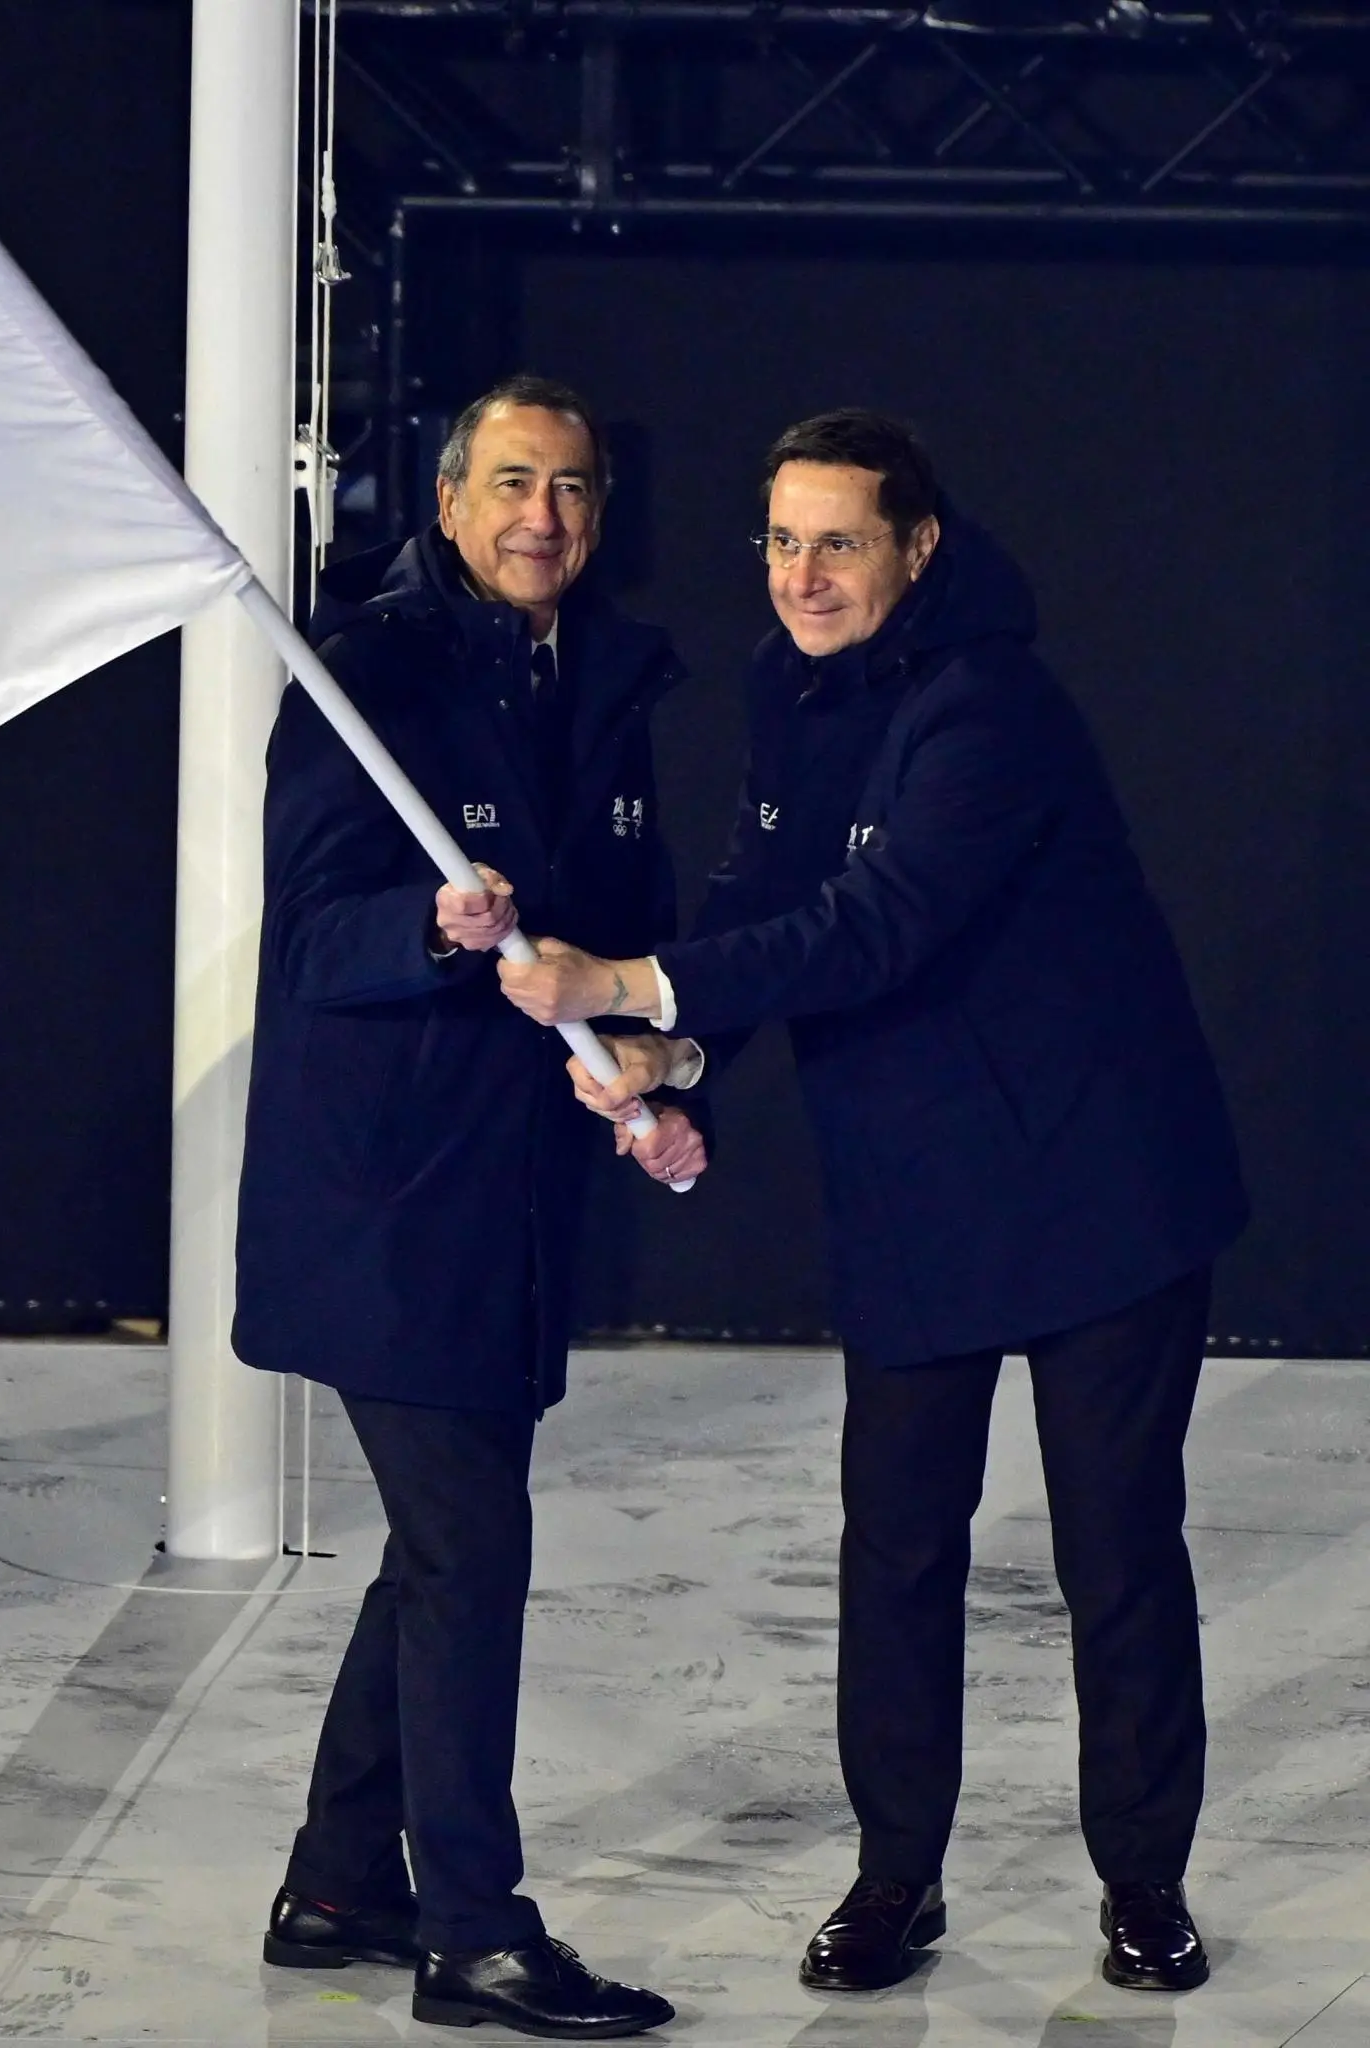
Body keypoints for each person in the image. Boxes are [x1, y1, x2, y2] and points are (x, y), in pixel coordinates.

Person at [499, 409, 1245, 1997]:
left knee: (1116, 1547)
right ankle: (897, 1877)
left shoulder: (994, 705)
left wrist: (621, 977)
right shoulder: (796, 690)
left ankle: (1145, 1883)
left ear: (918, 547)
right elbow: (768, 901)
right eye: (780, 539)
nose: (804, 573)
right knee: (897, 1545)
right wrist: (676, 1052)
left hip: (1100, 1184)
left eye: (839, 539)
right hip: (920, 1192)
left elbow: (879, 924)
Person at [236, 374, 700, 2040]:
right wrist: (430, 928)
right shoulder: (367, 679)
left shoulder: (610, 673)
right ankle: (472, 1930)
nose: (542, 518)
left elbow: (622, 920)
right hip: (383, 1193)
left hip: (508, 1189)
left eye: (570, 488)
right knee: (468, 1545)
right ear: (444, 504)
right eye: (509, 484)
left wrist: (649, 1059)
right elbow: (307, 940)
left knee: (439, 1545)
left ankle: (342, 1882)